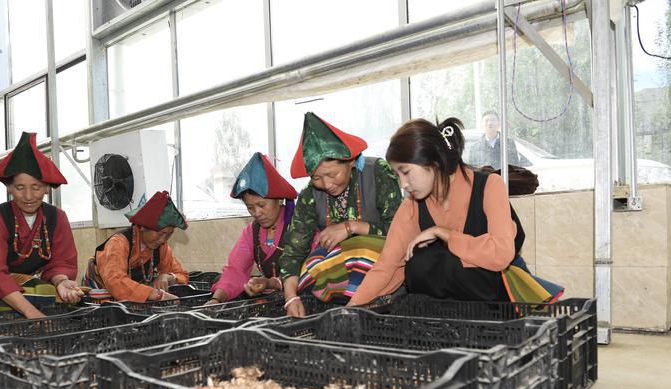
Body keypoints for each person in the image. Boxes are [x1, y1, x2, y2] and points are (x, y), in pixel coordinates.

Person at [349, 117, 563, 306]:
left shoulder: (490, 185)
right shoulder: (412, 205)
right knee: (418, 263)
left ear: (433, 162)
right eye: (398, 176)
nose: (403, 184)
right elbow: (387, 265)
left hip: (499, 302)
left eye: (405, 172)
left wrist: (443, 233)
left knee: (436, 260)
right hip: (450, 313)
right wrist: (351, 309)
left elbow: (500, 255)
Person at [279, 112, 403, 317]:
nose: (326, 184)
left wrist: (351, 227)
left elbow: (401, 232)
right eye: (316, 178)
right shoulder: (310, 195)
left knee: (363, 248)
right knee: (312, 263)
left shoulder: (378, 172)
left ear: (351, 161)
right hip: (338, 288)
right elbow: (293, 253)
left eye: (332, 174)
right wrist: (291, 298)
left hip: (385, 281)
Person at [0, 132, 84, 318]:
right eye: (20, 187)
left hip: (29, 283)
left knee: (70, 294)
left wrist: (61, 281)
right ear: (9, 188)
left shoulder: (57, 217)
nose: (28, 196)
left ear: (47, 188)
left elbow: (61, 262)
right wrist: (33, 314)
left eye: (36, 187)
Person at [206, 153, 298, 305]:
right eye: (250, 207)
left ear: (279, 199)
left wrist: (271, 283)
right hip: (274, 304)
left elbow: (310, 270)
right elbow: (236, 270)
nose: (257, 213)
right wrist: (216, 300)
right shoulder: (252, 232)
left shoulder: (299, 225)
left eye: (261, 205)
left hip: (301, 301)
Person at [83, 190, 188, 302]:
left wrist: (168, 277)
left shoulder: (162, 247)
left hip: (131, 298)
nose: (163, 239)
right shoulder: (118, 243)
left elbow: (182, 275)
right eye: (160, 233)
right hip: (99, 297)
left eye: (169, 234)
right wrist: (157, 295)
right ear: (142, 227)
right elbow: (116, 281)